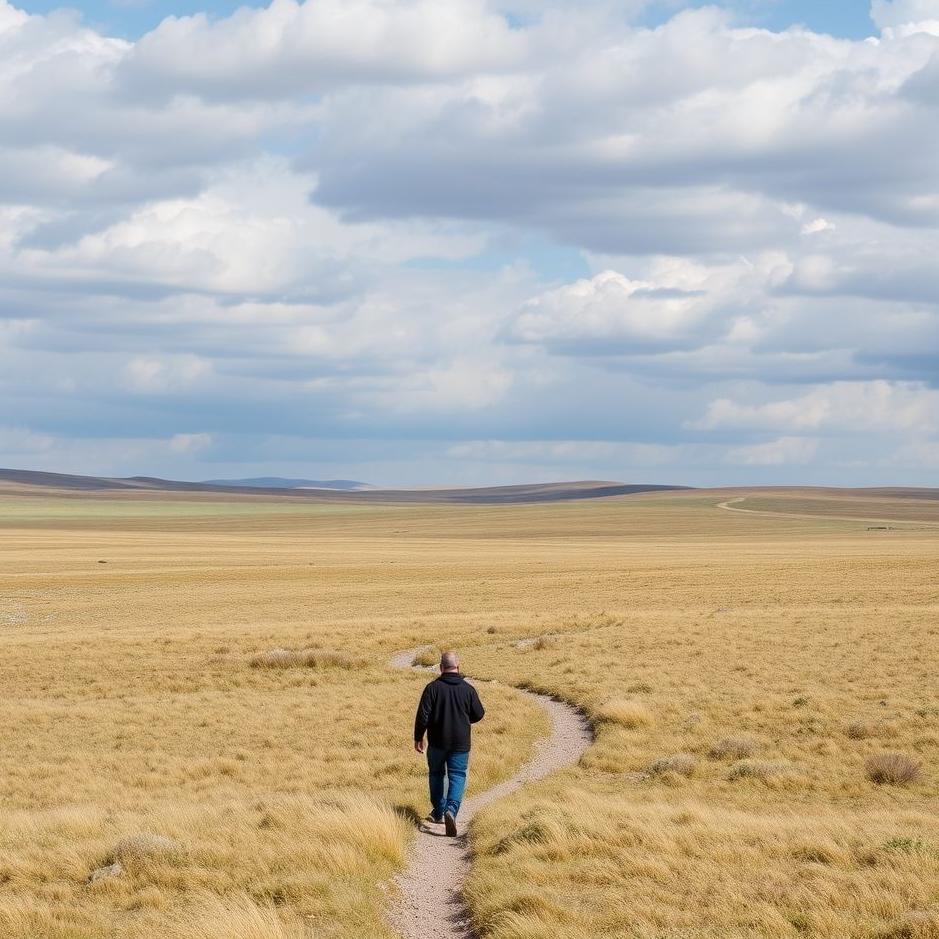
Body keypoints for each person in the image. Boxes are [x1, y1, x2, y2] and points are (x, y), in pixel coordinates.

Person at [413, 650, 485, 836]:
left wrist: (418, 737)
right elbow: (479, 714)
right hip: (461, 743)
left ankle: (438, 811)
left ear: (441, 668)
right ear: (458, 667)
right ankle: (451, 810)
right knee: (458, 776)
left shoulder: (432, 688)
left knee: (436, 775)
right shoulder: (468, 689)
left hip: (436, 742)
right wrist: (463, 718)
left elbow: (423, 716)